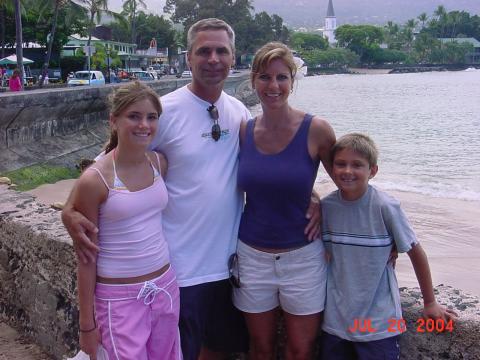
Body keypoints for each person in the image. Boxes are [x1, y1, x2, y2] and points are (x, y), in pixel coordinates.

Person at [62, 18, 321, 360]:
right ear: (188, 58)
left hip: (230, 267)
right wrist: (69, 210)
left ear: (233, 58)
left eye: (221, 51)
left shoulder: (239, 113)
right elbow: (106, 167)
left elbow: (270, 170)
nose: (213, 58)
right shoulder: (162, 112)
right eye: (204, 51)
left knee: (221, 352)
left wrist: (314, 196)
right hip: (178, 271)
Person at [232, 42, 336, 360]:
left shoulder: (316, 130)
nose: (273, 86)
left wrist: (322, 203)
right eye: (264, 77)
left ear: (293, 81)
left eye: (281, 78)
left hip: (303, 258)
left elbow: (350, 184)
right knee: (260, 349)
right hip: (251, 258)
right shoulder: (244, 131)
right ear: (253, 81)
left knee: (299, 350)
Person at [320, 133, 458, 360]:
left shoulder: (385, 207)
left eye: (357, 165)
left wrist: (430, 302)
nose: (347, 171)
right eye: (340, 164)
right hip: (336, 320)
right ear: (331, 167)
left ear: (372, 171)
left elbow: (415, 252)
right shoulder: (327, 207)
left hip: (379, 322)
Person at [71, 81, 181, 360]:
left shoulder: (158, 164)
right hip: (118, 299)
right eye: (134, 116)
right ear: (114, 120)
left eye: (151, 117)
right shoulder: (96, 180)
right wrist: (87, 326)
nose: (144, 124)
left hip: (165, 287)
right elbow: (86, 257)